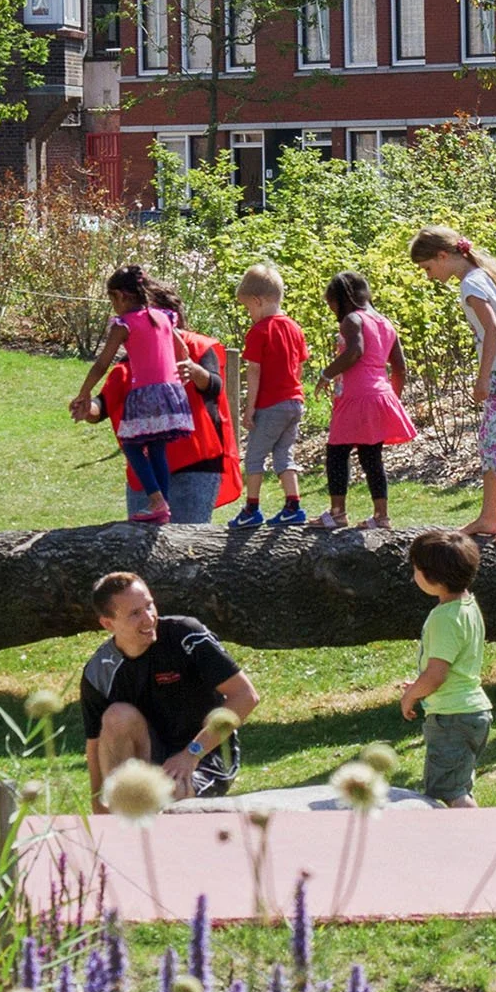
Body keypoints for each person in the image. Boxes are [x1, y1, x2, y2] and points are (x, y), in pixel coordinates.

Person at [410, 226, 496, 545]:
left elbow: (493, 330)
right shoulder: (489, 272)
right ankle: (489, 516)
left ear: (443, 256)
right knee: (490, 441)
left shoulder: (471, 284)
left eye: (428, 268)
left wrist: (482, 377)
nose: (429, 277)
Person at [74, 268, 242, 523]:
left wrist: (195, 371)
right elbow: (104, 402)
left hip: (196, 465)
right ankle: (158, 501)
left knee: (186, 539)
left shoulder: (198, 346)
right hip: (147, 473)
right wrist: (89, 408)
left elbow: (215, 388)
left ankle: (157, 501)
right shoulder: (132, 358)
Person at [80, 573, 262, 805]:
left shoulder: (186, 636)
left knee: (166, 794)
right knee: (117, 716)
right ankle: (121, 810)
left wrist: (191, 754)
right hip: (150, 757)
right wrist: (100, 814)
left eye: (149, 606)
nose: (149, 618)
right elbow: (96, 745)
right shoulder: (99, 671)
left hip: (204, 755)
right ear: (108, 624)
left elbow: (246, 696)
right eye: (135, 613)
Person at [311, 271, 417, 530]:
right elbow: (400, 367)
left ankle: (337, 513)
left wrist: (326, 374)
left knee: (337, 452)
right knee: (371, 457)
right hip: (380, 394)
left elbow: (355, 352)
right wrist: (392, 398)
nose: (331, 309)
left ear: (342, 298)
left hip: (356, 397)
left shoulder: (353, 319)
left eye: (331, 302)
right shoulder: (385, 323)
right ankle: (381, 516)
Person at [397, 530, 491, 807]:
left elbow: (437, 675)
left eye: (416, 568)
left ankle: (479, 834)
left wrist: (411, 695)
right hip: (471, 712)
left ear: (432, 577)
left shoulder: (444, 618)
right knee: (457, 786)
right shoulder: (468, 606)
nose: (413, 574)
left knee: (451, 793)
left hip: (452, 718)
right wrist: (419, 686)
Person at [231, 263, 310, 528]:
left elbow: (254, 371)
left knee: (254, 456)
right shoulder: (295, 328)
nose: (249, 314)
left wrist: (249, 408)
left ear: (258, 301)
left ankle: (251, 508)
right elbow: (299, 366)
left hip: (270, 404)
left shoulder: (260, 331)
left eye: (248, 308)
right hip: (294, 402)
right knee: (284, 455)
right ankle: (293, 506)